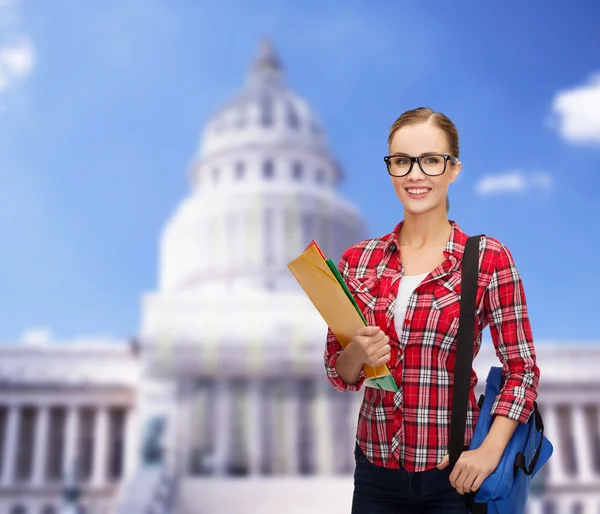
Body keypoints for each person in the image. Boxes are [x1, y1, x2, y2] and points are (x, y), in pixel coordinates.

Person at [323, 107, 540, 514]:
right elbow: (339, 372)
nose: (415, 175)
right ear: (390, 169)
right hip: (374, 472)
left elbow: (522, 370)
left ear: (453, 169)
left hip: (453, 476)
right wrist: (358, 353)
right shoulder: (358, 260)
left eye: (431, 160)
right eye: (402, 161)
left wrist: (490, 450)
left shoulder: (488, 259)